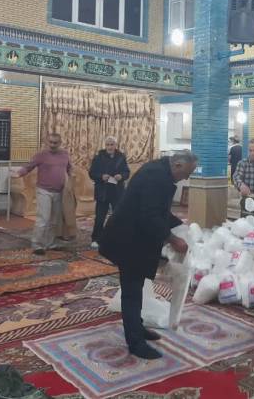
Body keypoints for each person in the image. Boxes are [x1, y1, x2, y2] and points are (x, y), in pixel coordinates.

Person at [98, 150, 197, 360]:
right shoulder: (156, 176)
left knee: (137, 287)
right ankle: (135, 343)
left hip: (135, 237)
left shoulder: (160, 171)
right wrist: (172, 238)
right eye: (186, 174)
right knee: (131, 291)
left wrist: (180, 226)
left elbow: (159, 211)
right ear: (178, 165)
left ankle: (138, 327)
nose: (185, 179)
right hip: (126, 239)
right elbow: (150, 215)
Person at [13, 133, 72, 255]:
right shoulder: (41, 155)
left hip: (59, 191)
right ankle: (37, 245)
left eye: (55, 143)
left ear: (60, 143)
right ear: (47, 142)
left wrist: (72, 179)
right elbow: (29, 167)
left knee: (54, 220)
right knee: (43, 219)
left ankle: (50, 243)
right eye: (51, 142)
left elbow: (69, 168)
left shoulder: (65, 154)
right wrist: (19, 173)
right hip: (44, 191)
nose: (53, 145)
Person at [88, 136, 130, 249]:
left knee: (118, 216)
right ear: (105, 145)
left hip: (117, 192)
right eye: (108, 144)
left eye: (112, 144)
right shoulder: (98, 157)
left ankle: (116, 238)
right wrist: (101, 176)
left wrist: (121, 176)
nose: (110, 147)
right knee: (100, 217)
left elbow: (127, 172)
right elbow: (92, 173)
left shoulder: (121, 157)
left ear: (115, 145)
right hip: (103, 192)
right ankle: (96, 239)